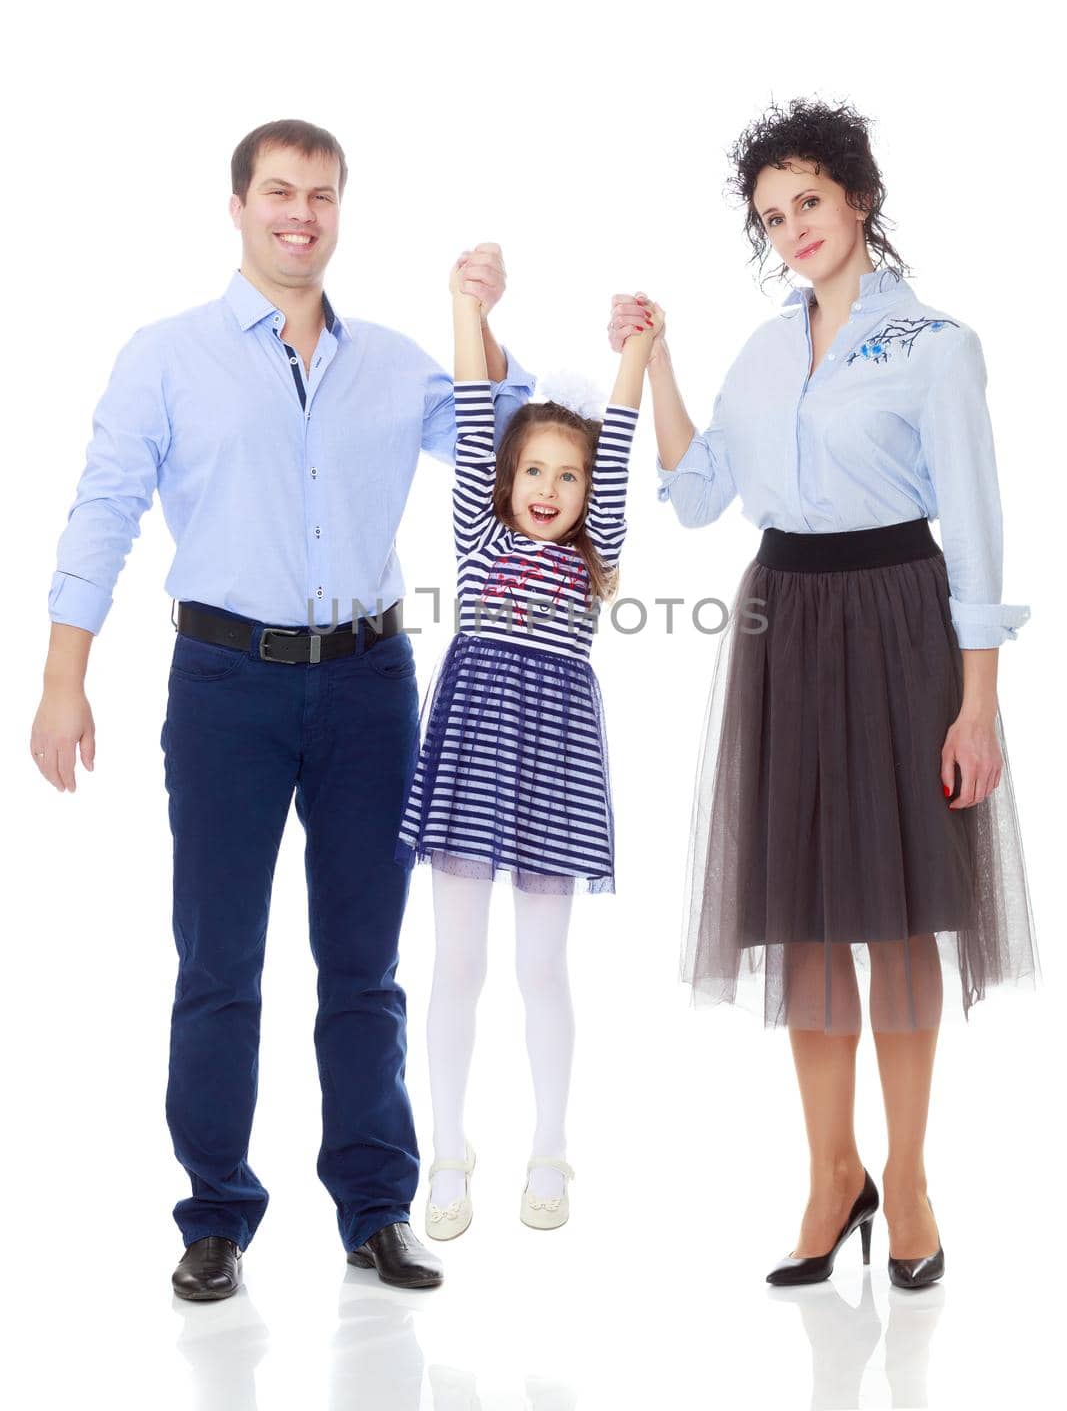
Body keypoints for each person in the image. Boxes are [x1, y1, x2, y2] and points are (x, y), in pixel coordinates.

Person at [30, 118, 534, 1299]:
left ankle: (375, 1208)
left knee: (363, 963)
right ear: (238, 206)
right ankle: (214, 1215)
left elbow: (505, 442)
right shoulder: (166, 356)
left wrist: (481, 316)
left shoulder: (399, 360)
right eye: (277, 192)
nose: (298, 212)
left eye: (320, 194)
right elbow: (103, 509)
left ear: (340, 211)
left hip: (368, 686)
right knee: (219, 962)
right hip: (225, 688)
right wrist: (65, 676)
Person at [610, 97, 1038, 1290]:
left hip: (899, 619)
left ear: (857, 197)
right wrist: (657, 364)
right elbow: (697, 497)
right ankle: (827, 1175)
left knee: (899, 919)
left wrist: (975, 703)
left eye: (807, 201)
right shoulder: (760, 348)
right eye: (770, 215)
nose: (791, 227)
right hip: (784, 622)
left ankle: (905, 1181)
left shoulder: (936, 345)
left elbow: (982, 534)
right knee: (800, 920)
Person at [396, 255, 658, 1237]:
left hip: (553, 756)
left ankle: (549, 1149)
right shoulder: (478, 534)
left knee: (541, 969)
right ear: (505, 481)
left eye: (570, 474)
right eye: (534, 472)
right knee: (455, 963)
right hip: (469, 750)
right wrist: (465, 303)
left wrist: (633, 348)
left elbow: (622, 442)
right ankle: (447, 1151)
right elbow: (472, 405)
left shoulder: (596, 552)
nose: (550, 489)